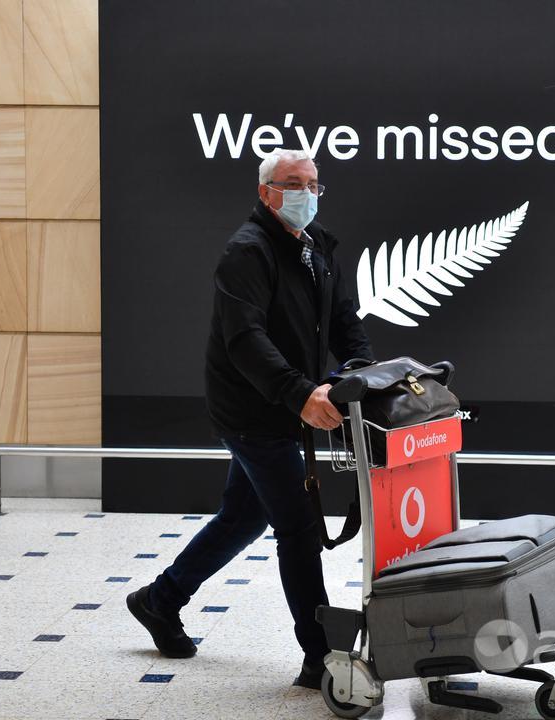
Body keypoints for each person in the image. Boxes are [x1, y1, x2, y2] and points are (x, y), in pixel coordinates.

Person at [127, 148, 374, 689]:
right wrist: (301, 393)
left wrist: (357, 366)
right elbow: (245, 340)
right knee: (299, 528)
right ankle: (322, 659)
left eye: (312, 184)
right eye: (292, 184)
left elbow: (342, 318)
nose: (305, 194)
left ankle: (159, 600)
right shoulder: (247, 252)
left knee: (244, 516)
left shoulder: (317, 247)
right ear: (265, 192)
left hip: (286, 404)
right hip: (251, 411)